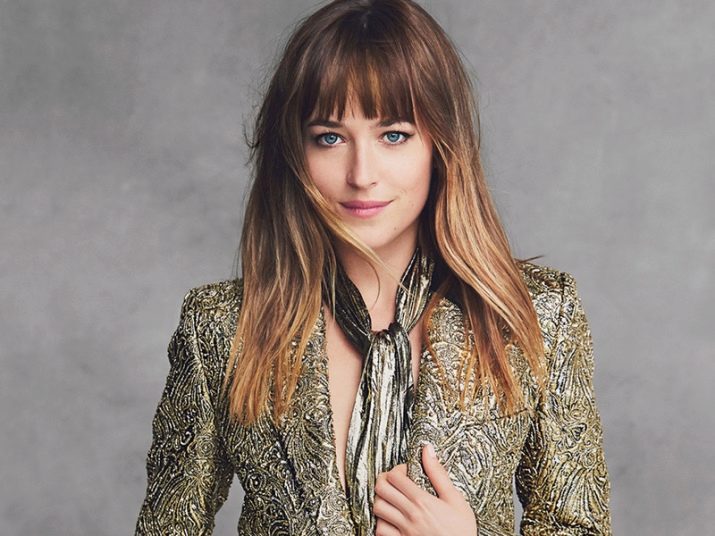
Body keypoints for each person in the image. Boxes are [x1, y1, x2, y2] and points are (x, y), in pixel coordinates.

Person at [134, 0, 612, 534]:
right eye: (330, 138)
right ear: (294, 153)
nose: (362, 174)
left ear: (441, 146)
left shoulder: (536, 314)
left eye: (394, 135)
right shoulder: (222, 328)